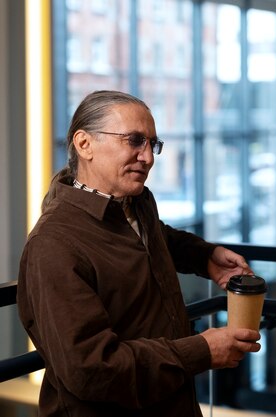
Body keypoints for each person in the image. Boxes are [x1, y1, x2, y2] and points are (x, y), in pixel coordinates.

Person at [17, 90, 261, 417]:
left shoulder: (134, 202)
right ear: (84, 143)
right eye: (134, 140)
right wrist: (200, 350)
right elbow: (91, 369)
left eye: (152, 144)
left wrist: (204, 257)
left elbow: (153, 236)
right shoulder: (53, 245)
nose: (148, 157)